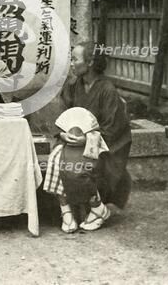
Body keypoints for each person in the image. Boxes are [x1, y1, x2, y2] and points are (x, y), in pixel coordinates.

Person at [44, 41, 132, 233]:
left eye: (75, 59)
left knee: (77, 166)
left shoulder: (107, 90)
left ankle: (97, 207)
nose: (72, 64)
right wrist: (63, 133)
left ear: (90, 62)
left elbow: (112, 129)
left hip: (99, 146)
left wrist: (87, 140)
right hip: (72, 142)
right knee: (54, 160)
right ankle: (66, 211)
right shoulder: (72, 86)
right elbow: (62, 117)